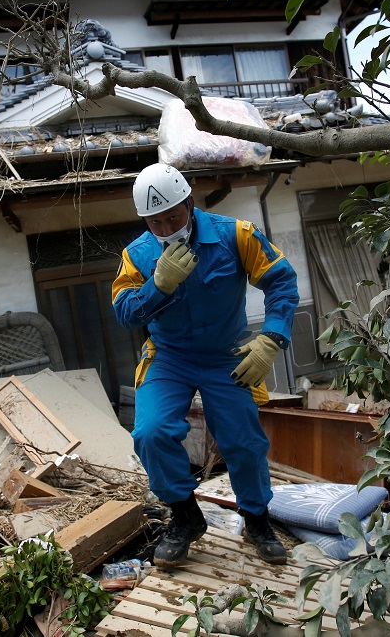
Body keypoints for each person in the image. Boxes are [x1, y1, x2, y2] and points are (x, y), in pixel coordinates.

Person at [112, 163, 299, 566]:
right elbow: (125, 313)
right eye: (155, 222)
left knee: (243, 442)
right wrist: (157, 285)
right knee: (150, 433)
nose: (166, 228)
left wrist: (271, 338)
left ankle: (256, 519)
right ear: (144, 220)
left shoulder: (236, 234)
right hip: (168, 356)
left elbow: (281, 279)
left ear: (190, 203)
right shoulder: (138, 254)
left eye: (173, 217)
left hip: (225, 354)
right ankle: (185, 515)